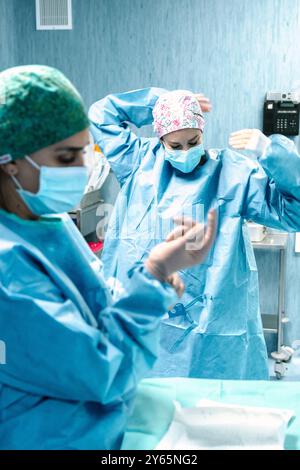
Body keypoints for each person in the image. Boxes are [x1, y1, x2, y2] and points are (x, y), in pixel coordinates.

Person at [0, 67, 216, 450]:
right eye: (66, 157)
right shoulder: (7, 267)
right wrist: (153, 274)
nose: (84, 170)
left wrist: (155, 279)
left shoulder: (48, 225)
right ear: (9, 162)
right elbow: (99, 368)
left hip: (97, 423)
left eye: (84, 153)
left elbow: (99, 297)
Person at [89, 87, 300, 380]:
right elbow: (101, 115)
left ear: (202, 132)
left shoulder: (232, 173)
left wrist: (272, 153)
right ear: (160, 138)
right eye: (175, 146)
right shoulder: (138, 161)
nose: (186, 152)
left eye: (193, 141)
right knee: (146, 407)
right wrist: (161, 99)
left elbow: (295, 213)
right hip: (149, 313)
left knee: (212, 411)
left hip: (213, 323)